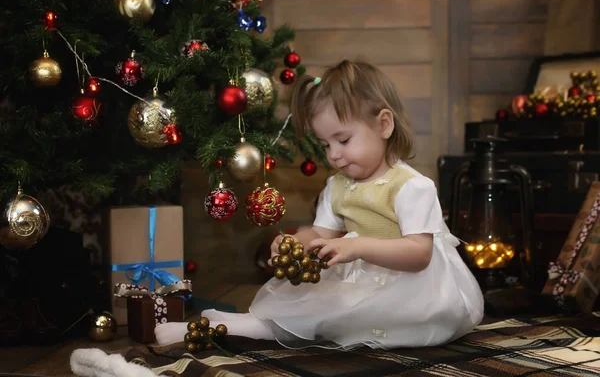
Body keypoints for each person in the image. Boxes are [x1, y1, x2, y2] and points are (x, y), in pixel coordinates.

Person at [155, 60, 484, 349]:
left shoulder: (411, 187)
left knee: (321, 317)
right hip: (361, 279)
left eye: (343, 140)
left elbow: (418, 254)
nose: (333, 155)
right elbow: (319, 233)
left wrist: (355, 248)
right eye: (325, 144)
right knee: (305, 307)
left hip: (415, 292)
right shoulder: (337, 186)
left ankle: (227, 326)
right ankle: (229, 324)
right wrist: (293, 241)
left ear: (384, 125)